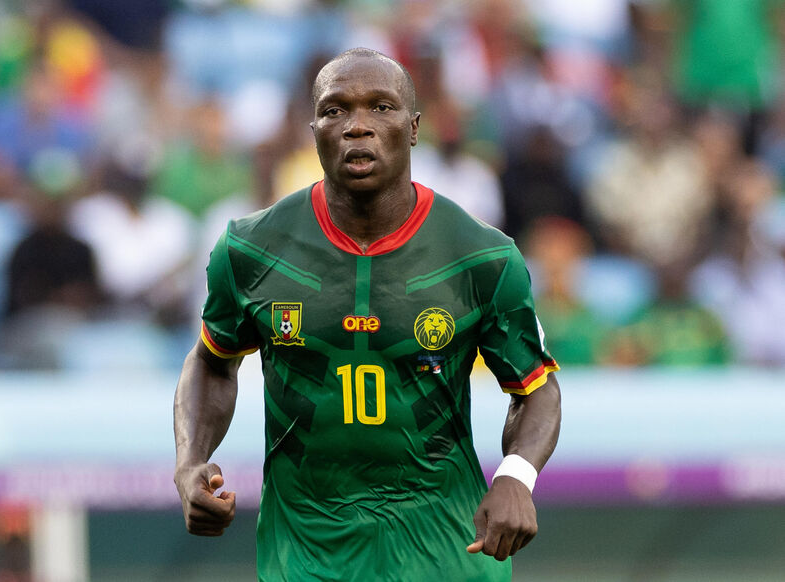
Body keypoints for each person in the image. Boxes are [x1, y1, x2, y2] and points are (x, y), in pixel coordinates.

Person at [173, 48, 562, 581]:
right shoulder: (250, 250)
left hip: (447, 555)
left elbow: (536, 387)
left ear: (414, 128)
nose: (357, 125)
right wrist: (190, 461)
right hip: (306, 558)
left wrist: (517, 476)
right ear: (313, 131)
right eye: (335, 110)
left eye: (381, 107)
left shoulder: (482, 256)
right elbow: (212, 362)